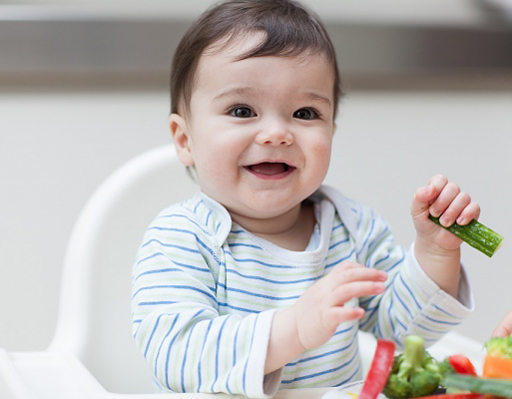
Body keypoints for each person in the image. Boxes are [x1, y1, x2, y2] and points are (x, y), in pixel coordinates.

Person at [131, 0, 479, 396]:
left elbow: (402, 332)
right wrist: (293, 328)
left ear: (332, 129)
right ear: (184, 139)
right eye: (242, 110)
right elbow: (176, 354)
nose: (276, 133)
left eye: (305, 113)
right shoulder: (180, 239)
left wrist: (436, 254)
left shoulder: (353, 230)